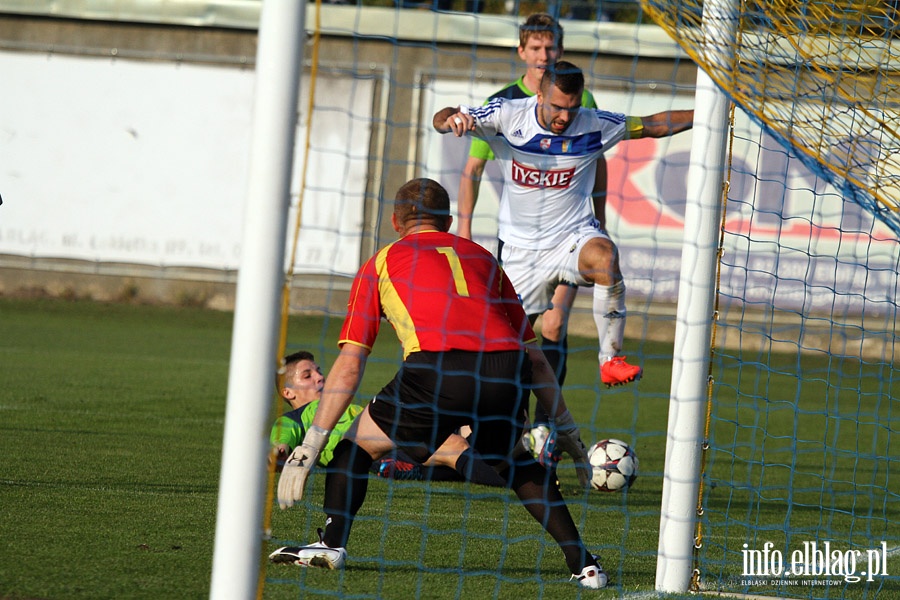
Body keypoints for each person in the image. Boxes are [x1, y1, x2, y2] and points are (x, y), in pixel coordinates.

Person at [271, 178, 607, 589]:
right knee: (512, 460)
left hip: (437, 370)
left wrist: (312, 442)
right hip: (506, 370)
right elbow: (535, 359)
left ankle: (331, 544)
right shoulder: (485, 259)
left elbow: (351, 360)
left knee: (356, 445)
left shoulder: (380, 262)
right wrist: (566, 426)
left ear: (395, 221)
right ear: (448, 222)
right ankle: (584, 564)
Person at [436, 60, 694, 391]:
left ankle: (610, 359)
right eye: (557, 107)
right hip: (521, 251)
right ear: (539, 96)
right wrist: (451, 119)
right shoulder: (506, 114)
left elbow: (653, 125)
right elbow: (442, 118)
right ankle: (514, 429)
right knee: (502, 356)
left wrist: (708, 113)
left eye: (571, 108)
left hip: (573, 238)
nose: (564, 117)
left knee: (605, 256)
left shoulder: (593, 124)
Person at [457, 14, 606, 404]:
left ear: (561, 50)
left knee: (555, 324)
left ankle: (548, 431)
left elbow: (597, 156)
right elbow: (473, 169)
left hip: (569, 235)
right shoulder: (502, 104)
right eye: (536, 48)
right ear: (522, 51)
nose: (544, 55)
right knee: (515, 332)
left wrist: (600, 217)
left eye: (551, 47)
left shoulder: (580, 98)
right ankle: (513, 420)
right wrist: (466, 232)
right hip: (521, 241)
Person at [270, 350, 473, 482]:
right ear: (288, 392)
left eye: (318, 371)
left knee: (469, 425)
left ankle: (415, 470)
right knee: (454, 447)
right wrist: (280, 452)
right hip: (376, 448)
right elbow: (282, 442)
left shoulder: (341, 405)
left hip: (393, 427)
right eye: (308, 376)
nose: (320, 377)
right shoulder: (295, 418)